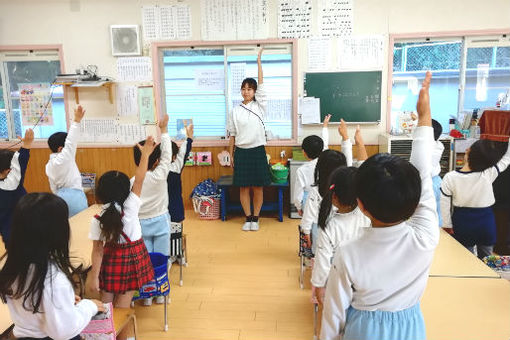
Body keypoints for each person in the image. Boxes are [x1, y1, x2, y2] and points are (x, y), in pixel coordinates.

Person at [321, 71, 439, 340]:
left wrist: (422, 120)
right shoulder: (425, 237)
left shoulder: (347, 253)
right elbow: (422, 175)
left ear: (360, 205)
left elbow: (333, 316)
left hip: (363, 331)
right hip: (410, 329)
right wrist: (423, 119)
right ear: (413, 201)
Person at [0, 193, 104, 340]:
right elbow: (64, 331)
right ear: (58, 232)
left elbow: (33, 300)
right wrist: (89, 306)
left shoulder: (14, 265)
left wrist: (64, 300)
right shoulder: (54, 280)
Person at [88, 136, 156, 312]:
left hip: (110, 260)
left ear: (101, 192)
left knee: (107, 306)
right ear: (127, 190)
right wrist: (146, 154)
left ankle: (107, 334)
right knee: (123, 308)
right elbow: (140, 178)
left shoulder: (98, 218)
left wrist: (94, 277)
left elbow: (98, 250)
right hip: (133, 258)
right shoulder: (131, 205)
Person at [300, 121, 367, 255]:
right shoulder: (352, 185)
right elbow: (361, 167)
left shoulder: (317, 191)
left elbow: (308, 217)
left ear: (320, 168)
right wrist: (349, 139)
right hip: (355, 248)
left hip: (324, 246)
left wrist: (306, 232)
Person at [440, 137, 510, 259]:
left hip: (462, 222)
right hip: (486, 222)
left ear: (467, 152)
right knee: (487, 259)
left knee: (465, 259)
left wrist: (447, 225)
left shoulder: (450, 177)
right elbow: (507, 159)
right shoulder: (488, 173)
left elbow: (444, 204)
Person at [311, 167, 370, 303]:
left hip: (340, 282)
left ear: (334, 196)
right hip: (366, 280)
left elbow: (322, 260)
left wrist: (319, 285)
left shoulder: (329, 226)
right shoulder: (368, 217)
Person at [227, 48, 270, 232]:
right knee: (243, 188)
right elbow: (232, 134)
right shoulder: (234, 111)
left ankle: (256, 218)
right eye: (243, 89)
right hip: (241, 151)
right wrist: (231, 155)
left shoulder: (260, 105)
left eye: (249, 89)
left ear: (254, 91)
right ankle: (248, 218)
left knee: (258, 188)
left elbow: (262, 82)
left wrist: (259, 61)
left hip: (258, 149)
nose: (246, 91)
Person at [131, 114, 172, 303]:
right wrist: (163, 131)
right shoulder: (160, 175)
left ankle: (147, 296)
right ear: (155, 161)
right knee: (162, 259)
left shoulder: (133, 182)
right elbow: (167, 155)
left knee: (145, 262)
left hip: (140, 225)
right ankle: (161, 295)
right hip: (161, 222)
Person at [45, 105, 88, 217]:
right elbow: (71, 141)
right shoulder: (64, 157)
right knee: (80, 227)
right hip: (74, 197)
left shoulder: (49, 165)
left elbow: (53, 186)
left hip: (58, 197)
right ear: (60, 149)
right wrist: (76, 121)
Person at [0, 128, 33, 245]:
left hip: (7, 232)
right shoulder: (9, 186)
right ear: (8, 171)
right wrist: (27, 144)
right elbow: (20, 164)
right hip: (19, 232)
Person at [293, 115, 331, 216]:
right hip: (327, 202)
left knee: (310, 228)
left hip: (309, 204)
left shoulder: (302, 170)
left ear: (304, 152)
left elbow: (298, 192)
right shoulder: (327, 162)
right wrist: (325, 126)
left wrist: (298, 207)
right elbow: (325, 143)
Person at [167, 123, 193, 263]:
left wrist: (189, 138)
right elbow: (184, 150)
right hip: (168, 206)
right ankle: (173, 253)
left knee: (174, 229)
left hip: (172, 205)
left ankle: (177, 253)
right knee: (172, 230)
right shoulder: (173, 165)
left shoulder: (173, 165)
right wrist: (189, 138)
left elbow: (184, 150)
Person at [431, 119, 444, 226]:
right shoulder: (439, 145)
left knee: (430, 212)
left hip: (429, 183)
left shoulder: (427, 146)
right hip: (437, 181)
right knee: (438, 210)